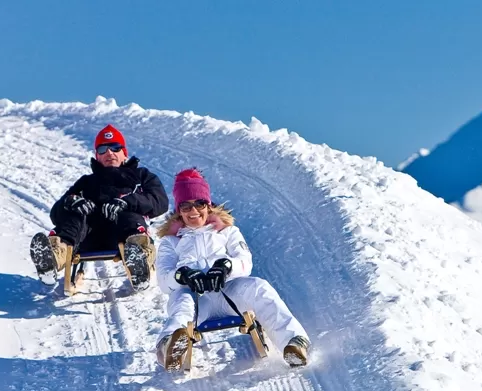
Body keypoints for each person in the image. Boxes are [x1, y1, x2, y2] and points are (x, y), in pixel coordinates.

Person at [154, 168, 311, 371]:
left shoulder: (227, 231)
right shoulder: (170, 241)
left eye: (199, 203)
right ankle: (169, 346)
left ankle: (294, 342)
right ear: (179, 210)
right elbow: (163, 281)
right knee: (181, 302)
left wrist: (226, 266)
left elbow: (245, 262)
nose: (193, 211)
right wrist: (182, 275)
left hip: (229, 292)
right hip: (196, 300)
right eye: (186, 206)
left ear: (208, 205)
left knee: (258, 287)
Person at [30, 124, 169, 288]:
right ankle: (53, 258)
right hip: (86, 238)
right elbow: (55, 214)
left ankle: (140, 260)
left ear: (124, 152)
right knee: (75, 213)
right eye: (103, 149)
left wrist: (128, 201)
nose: (109, 153)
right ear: (97, 156)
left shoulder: (141, 176)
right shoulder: (86, 182)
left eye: (115, 147)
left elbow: (160, 201)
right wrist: (69, 202)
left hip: (125, 237)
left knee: (128, 214)